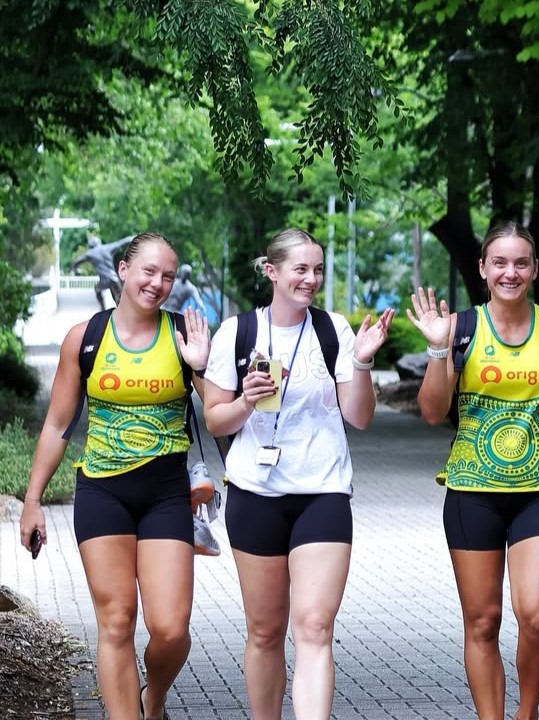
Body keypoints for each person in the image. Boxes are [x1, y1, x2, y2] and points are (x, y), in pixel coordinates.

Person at [406, 221, 539, 720]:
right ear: (482, 269)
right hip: (471, 492)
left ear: (535, 269)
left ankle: (527, 711)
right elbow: (433, 411)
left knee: (538, 616)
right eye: (499, 262)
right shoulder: (460, 328)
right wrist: (437, 349)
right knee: (483, 622)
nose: (510, 272)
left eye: (521, 262)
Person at [201, 228, 394, 720]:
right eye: (300, 269)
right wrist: (246, 398)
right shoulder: (237, 332)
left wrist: (363, 362)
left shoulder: (334, 331)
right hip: (255, 492)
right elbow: (215, 420)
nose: (311, 279)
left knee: (314, 627)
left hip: (323, 493)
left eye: (318, 269)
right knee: (265, 631)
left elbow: (360, 417)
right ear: (272, 271)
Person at [20, 232, 210, 720]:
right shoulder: (84, 338)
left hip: (167, 493)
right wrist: (32, 499)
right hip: (102, 490)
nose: (158, 283)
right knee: (116, 621)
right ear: (123, 270)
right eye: (149, 271)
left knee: (170, 627)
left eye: (168, 275)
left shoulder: (185, 335)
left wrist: (203, 370)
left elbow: (222, 415)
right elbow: (59, 424)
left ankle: (155, 698)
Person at [71, 233, 132, 311]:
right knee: (120, 297)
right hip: (114, 279)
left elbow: (76, 261)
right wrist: (136, 237)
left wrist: (75, 271)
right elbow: (123, 241)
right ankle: (124, 311)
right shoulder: (108, 248)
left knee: (97, 289)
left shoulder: (91, 253)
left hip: (104, 281)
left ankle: (103, 309)